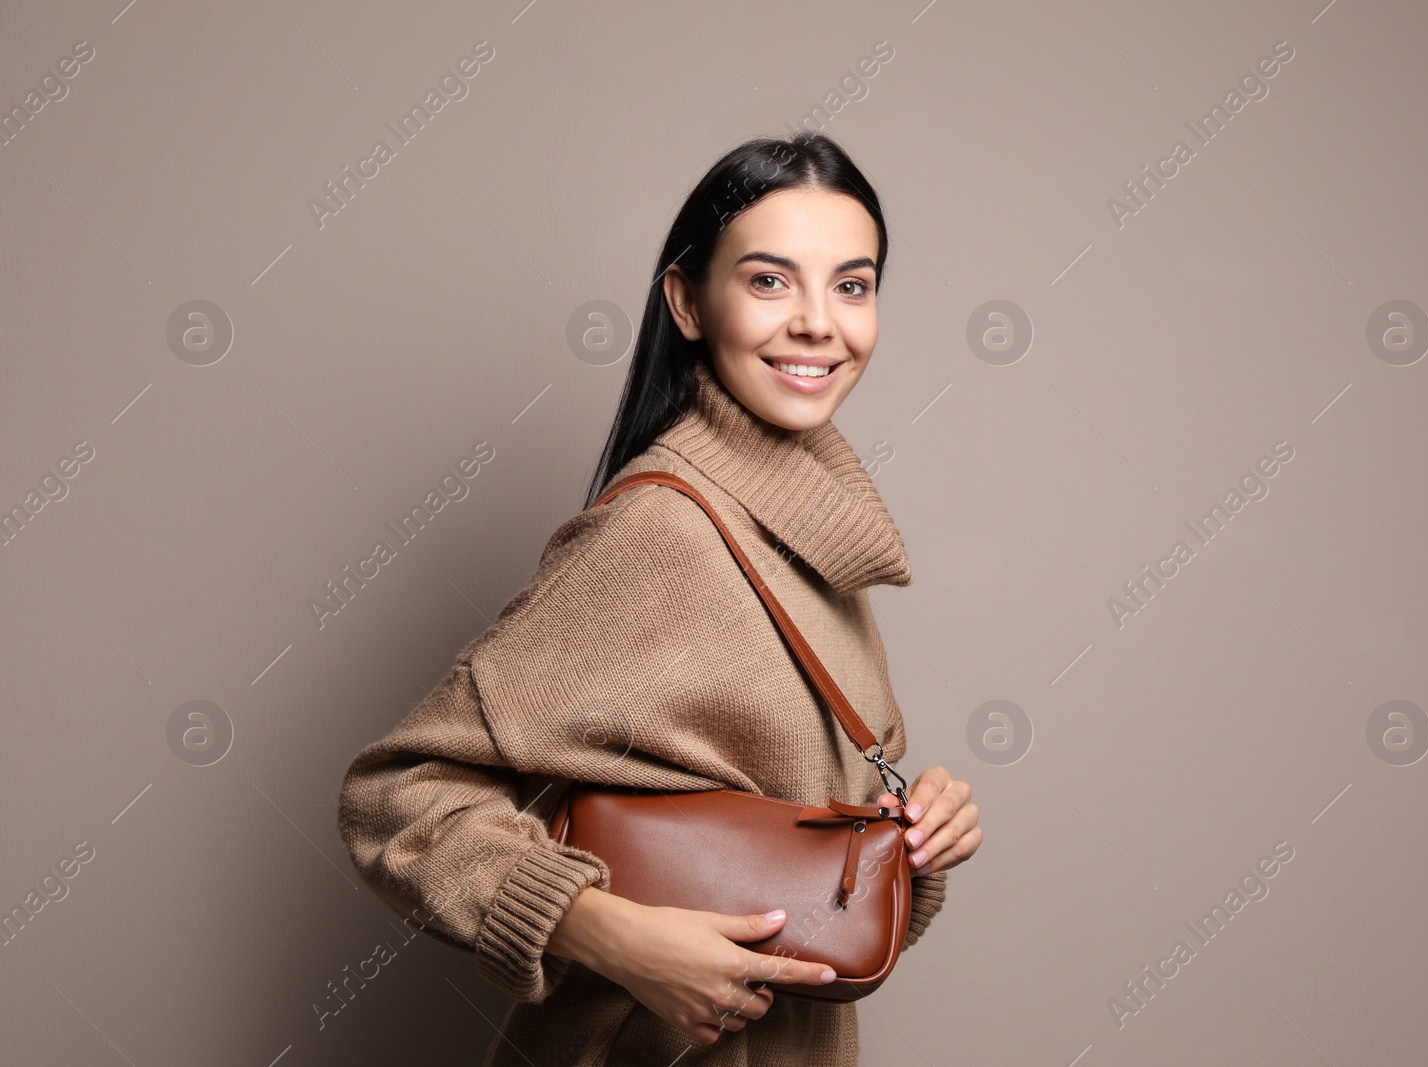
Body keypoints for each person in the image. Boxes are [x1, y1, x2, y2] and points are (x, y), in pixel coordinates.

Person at [337, 130, 983, 1066]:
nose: (818, 323)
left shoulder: (812, 536)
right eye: (769, 281)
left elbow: (791, 889)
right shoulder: (662, 533)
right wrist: (605, 932)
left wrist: (909, 847)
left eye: (852, 284)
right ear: (687, 299)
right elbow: (394, 793)